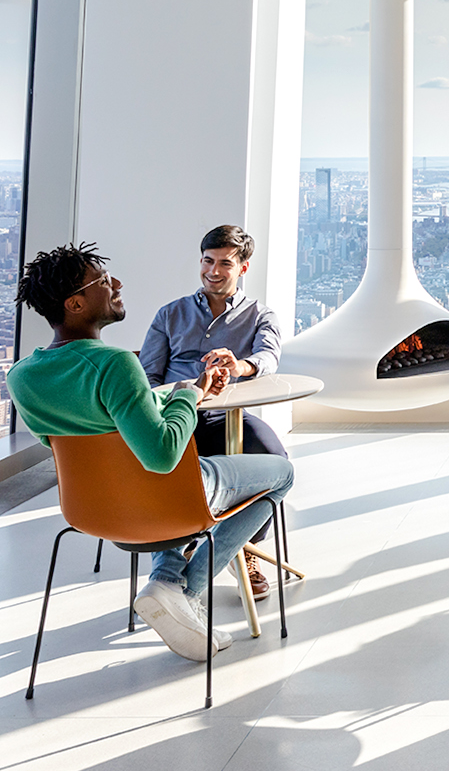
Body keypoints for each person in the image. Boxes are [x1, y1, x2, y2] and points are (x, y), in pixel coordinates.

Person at [8, 243, 294, 662]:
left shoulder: (22, 377)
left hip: (91, 511)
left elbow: (87, 435)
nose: (116, 284)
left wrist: (185, 392)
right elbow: (161, 456)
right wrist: (186, 397)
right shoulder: (114, 363)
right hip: (164, 501)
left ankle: (169, 583)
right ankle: (182, 591)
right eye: (102, 281)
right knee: (282, 473)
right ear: (76, 303)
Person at [141, 224, 286, 601]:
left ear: (243, 267)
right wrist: (178, 396)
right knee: (168, 464)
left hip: (227, 415)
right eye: (208, 261)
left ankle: (244, 546)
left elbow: (268, 357)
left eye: (225, 263)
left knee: (274, 458)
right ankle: (177, 553)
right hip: (175, 413)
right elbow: (148, 376)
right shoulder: (170, 313)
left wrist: (241, 366)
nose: (213, 271)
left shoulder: (260, 315)